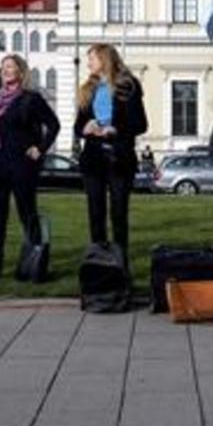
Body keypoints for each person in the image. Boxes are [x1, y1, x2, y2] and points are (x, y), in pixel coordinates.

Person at [0, 53, 60, 280]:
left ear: (20, 72)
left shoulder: (31, 98)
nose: (6, 70)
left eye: (11, 67)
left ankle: (35, 264)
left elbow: (53, 125)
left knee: (27, 215)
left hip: (22, 165)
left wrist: (40, 148)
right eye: (3, 67)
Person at [74, 43, 147, 264]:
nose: (88, 64)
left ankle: (120, 263)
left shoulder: (128, 86)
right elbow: (78, 125)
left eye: (92, 59)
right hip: (94, 157)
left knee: (118, 213)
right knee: (95, 212)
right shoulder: (89, 89)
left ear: (104, 60)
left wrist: (115, 129)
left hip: (119, 157)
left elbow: (140, 124)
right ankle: (98, 263)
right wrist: (85, 128)